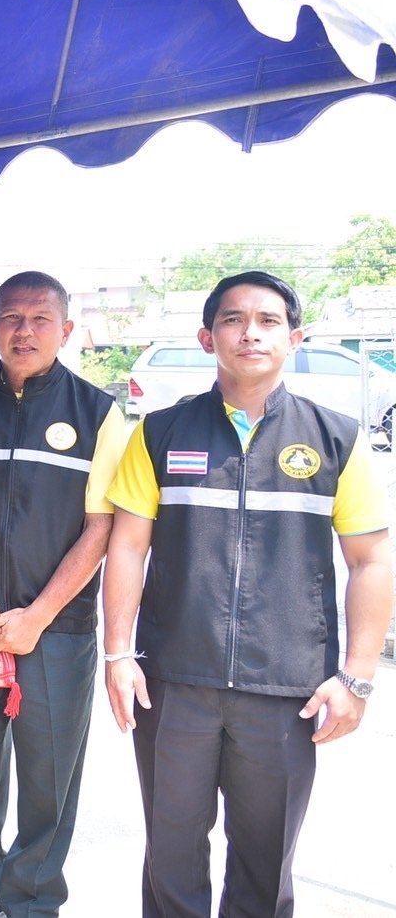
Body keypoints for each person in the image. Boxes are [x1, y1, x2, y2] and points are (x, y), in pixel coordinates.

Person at [103, 271, 392, 917]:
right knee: (171, 856)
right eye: (233, 320)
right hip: (175, 679)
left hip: (286, 688)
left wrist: (358, 678)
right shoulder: (159, 433)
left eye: (267, 321)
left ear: (295, 337)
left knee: (264, 865)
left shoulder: (337, 439)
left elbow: (371, 560)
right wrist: (118, 655)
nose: (250, 333)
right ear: (208, 337)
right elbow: (126, 546)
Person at [0, 271, 126, 918]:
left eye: (41, 319)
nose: (25, 330)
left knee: (49, 783)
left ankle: (32, 901)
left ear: (67, 331)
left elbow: (102, 527)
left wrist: (37, 617)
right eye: (11, 317)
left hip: (56, 634)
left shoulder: (99, 414)